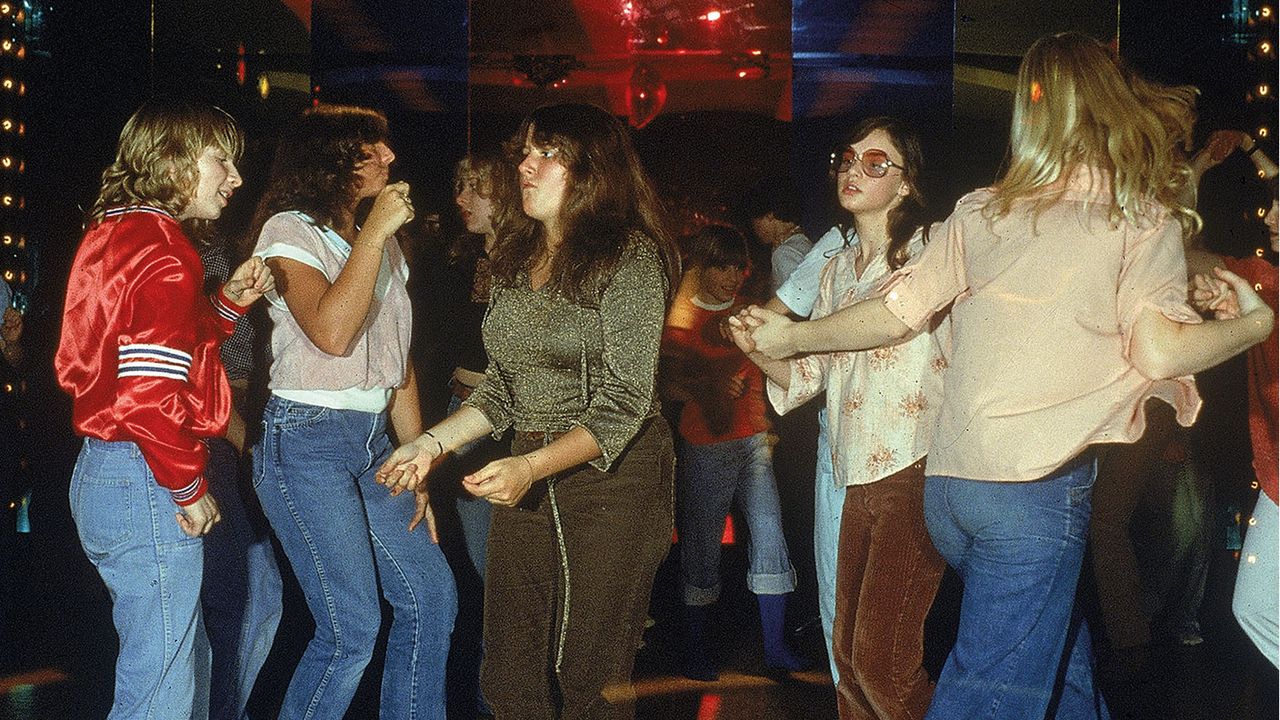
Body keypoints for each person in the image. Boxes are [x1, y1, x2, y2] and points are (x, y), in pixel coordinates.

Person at [734, 32, 1276, 719]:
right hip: (1033, 496)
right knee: (990, 694)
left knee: (1059, 665)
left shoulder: (980, 211)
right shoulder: (1139, 219)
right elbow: (1162, 353)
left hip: (950, 491)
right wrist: (1255, 325)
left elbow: (893, 315)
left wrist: (795, 333)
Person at [378, 102, 681, 719]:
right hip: (530, 467)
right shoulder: (514, 257)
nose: (526, 165)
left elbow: (625, 403)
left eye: (548, 153)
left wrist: (531, 466)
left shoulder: (630, 257)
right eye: (525, 151)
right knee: (511, 667)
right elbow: (504, 389)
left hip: (613, 478)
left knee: (588, 674)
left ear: (591, 170)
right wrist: (429, 444)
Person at [55, 100, 273, 719]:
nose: (234, 178)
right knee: (162, 689)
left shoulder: (116, 233)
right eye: (220, 160)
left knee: (171, 664)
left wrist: (226, 304)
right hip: (145, 474)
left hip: (104, 471)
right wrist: (186, 484)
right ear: (173, 161)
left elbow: (138, 355)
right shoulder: (168, 251)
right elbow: (149, 396)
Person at [733, 116, 947, 719]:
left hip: (914, 469)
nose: (854, 170)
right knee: (849, 659)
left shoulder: (931, 248)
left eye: (876, 163)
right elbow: (810, 378)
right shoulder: (835, 268)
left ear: (906, 184)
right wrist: (757, 347)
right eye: (848, 158)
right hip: (851, 472)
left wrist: (793, 335)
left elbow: (893, 319)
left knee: (883, 660)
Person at [249, 104, 456, 720]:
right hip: (306, 440)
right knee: (350, 629)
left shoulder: (382, 246)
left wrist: (417, 457)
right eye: (372, 150)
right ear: (330, 161)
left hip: (374, 442)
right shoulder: (289, 232)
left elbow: (400, 363)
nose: (391, 159)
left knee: (432, 599)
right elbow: (333, 335)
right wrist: (374, 233)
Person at [660, 224, 803, 681]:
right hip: (705, 448)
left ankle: (776, 651)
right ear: (699, 268)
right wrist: (710, 388)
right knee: (701, 550)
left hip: (753, 442)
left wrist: (769, 424)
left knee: (770, 539)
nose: (729, 276)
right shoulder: (680, 320)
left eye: (736, 266)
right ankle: (699, 654)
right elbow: (665, 387)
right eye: (719, 266)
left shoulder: (752, 311)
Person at [1191, 170, 1278, 668]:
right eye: (1270, 202)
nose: (1270, 216)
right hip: (1274, 477)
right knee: (1255, 606)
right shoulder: (1267, 281)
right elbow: (1188, 258)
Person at [194, 237, 284, 720]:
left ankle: (225, 706)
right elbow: (195, 370)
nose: (234, 178)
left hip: (239, 434)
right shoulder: (193, 253)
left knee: (257, 595)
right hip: (219, 442)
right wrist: (250, 447)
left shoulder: (224, 247)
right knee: (231, 600)